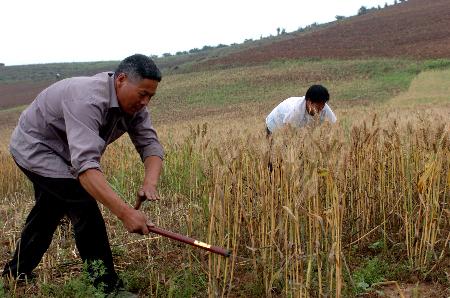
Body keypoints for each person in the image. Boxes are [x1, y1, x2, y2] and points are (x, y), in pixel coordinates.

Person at [2, 54, 164, 295]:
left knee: (48, 211)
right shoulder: (87, 98)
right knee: (82, 203)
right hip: (35, 147)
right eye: (143, 94)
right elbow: (86, 168)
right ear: (121, 80)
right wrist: (125, 213)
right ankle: (107, 287)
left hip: (65, 152)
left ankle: (15, 274)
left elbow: (150, 145)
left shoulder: (135, 106)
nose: (146, 102)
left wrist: (149, 183)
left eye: (151, 96)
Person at [265, 84, 337, 134]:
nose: (321, 108)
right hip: (275, 121)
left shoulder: (324, 107)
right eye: (318, 106)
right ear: (309, 101)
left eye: (323, 104)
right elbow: (289, 133)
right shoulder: (296, 112)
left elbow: (334, 125)